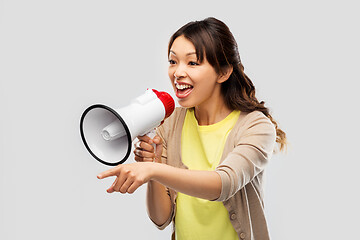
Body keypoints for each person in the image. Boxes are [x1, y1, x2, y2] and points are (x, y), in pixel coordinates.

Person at [97, 17, 287, 240]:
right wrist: (153, 164)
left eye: (192, 63)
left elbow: (223, 184)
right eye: (172, 61)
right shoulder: (169, 123)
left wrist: (154, 170)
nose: (177, 72)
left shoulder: (255, 127)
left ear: (223, 72)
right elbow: (161, 218)